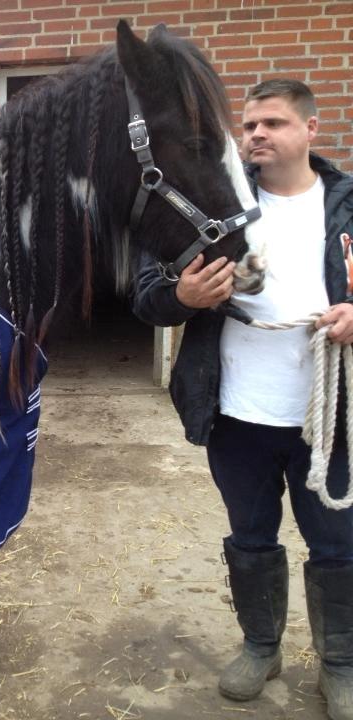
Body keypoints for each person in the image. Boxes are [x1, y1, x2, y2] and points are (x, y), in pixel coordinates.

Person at [132, 79, 353, 718]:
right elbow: (147, 295)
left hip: (327, 416)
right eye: (250, 124)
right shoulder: (212, 207)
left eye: (274, 123)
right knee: (250, 537)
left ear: (310, 130)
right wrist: (182, 298)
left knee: (337, 544)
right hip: (236, 414)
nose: (257, 134)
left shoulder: (346, 205)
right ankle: (262, 646)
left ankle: (339, 663)